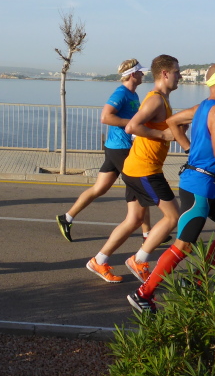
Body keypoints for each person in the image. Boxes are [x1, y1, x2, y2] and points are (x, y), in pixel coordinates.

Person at [127, 63, 215, 313]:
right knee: (183, 245)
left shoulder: (203, 107)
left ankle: (195, 281)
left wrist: (189, 148)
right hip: (199, 187)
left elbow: (172, 121)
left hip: (206, 186)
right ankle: (143, 294)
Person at [86, 54, 182, 283]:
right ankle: (139, 260)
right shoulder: (155, 99)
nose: (180, 76)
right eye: (177, 72)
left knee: (135, 219)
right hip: (144, 169)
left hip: (136, 166)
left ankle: (98, 261)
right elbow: (131, 126)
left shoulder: (160, 99)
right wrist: (162, 135)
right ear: (165, 74)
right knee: (173, 216)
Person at [56, 59, 171, 247]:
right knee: (139, 188)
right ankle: (147, 233)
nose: (143, 75)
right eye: (140, 72)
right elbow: (105, 117)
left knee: (100, 188)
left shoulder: (133, 94)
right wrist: (133, 125)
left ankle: (66, 218)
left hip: (116, 146)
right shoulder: (121, 93)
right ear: (132, 74)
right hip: (120, 147)